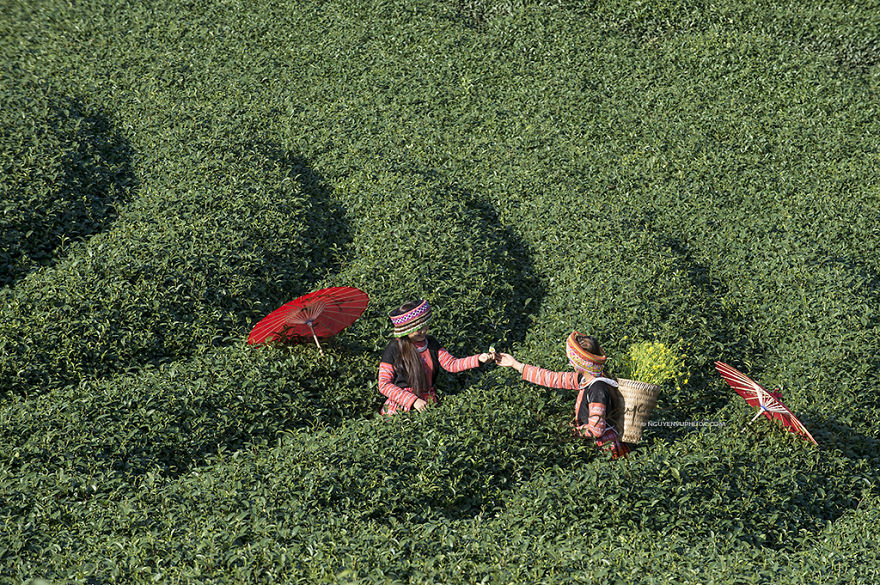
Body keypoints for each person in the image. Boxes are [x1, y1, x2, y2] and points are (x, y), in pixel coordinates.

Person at [495, 331, 630, 458]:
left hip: (606, 452)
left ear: (580, 363)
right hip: (593, 447)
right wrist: (515, 364)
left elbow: (596, 430)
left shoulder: (597, 389)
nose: (571, 364)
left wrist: (571, 431)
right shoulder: (584, 379)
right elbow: (551, 378)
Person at [378, 300, 495, 415]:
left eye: (425, 325)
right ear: (406, 330)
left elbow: (452, 364)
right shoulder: (394, 348)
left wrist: (479, 358)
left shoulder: (431, 343)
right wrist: (413, 401)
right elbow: (384, 384)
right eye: (418, 329)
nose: (424, 331)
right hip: (401, 407)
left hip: (427, 403)